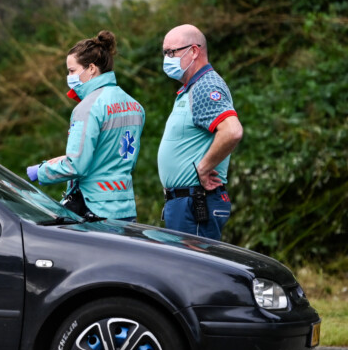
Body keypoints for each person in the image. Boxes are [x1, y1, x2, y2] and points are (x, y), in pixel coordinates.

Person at [27, 30, 144, 221]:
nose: (69, 77)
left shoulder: (88, 107)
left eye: (72, 71)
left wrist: (40, 172)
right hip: (125, 206)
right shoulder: (135, 106)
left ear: (91, 68)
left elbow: (77, 166)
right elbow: (106, 154)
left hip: (94, 208)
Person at [156, 24, 243, 240]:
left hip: (195, 203)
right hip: (185, 204)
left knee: (190, 272)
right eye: (165, 52)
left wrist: (203, 168)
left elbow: (232, 131)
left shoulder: (206, 86)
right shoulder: (191, 88)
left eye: (171, 52)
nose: (167, 59)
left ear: (194, 51)